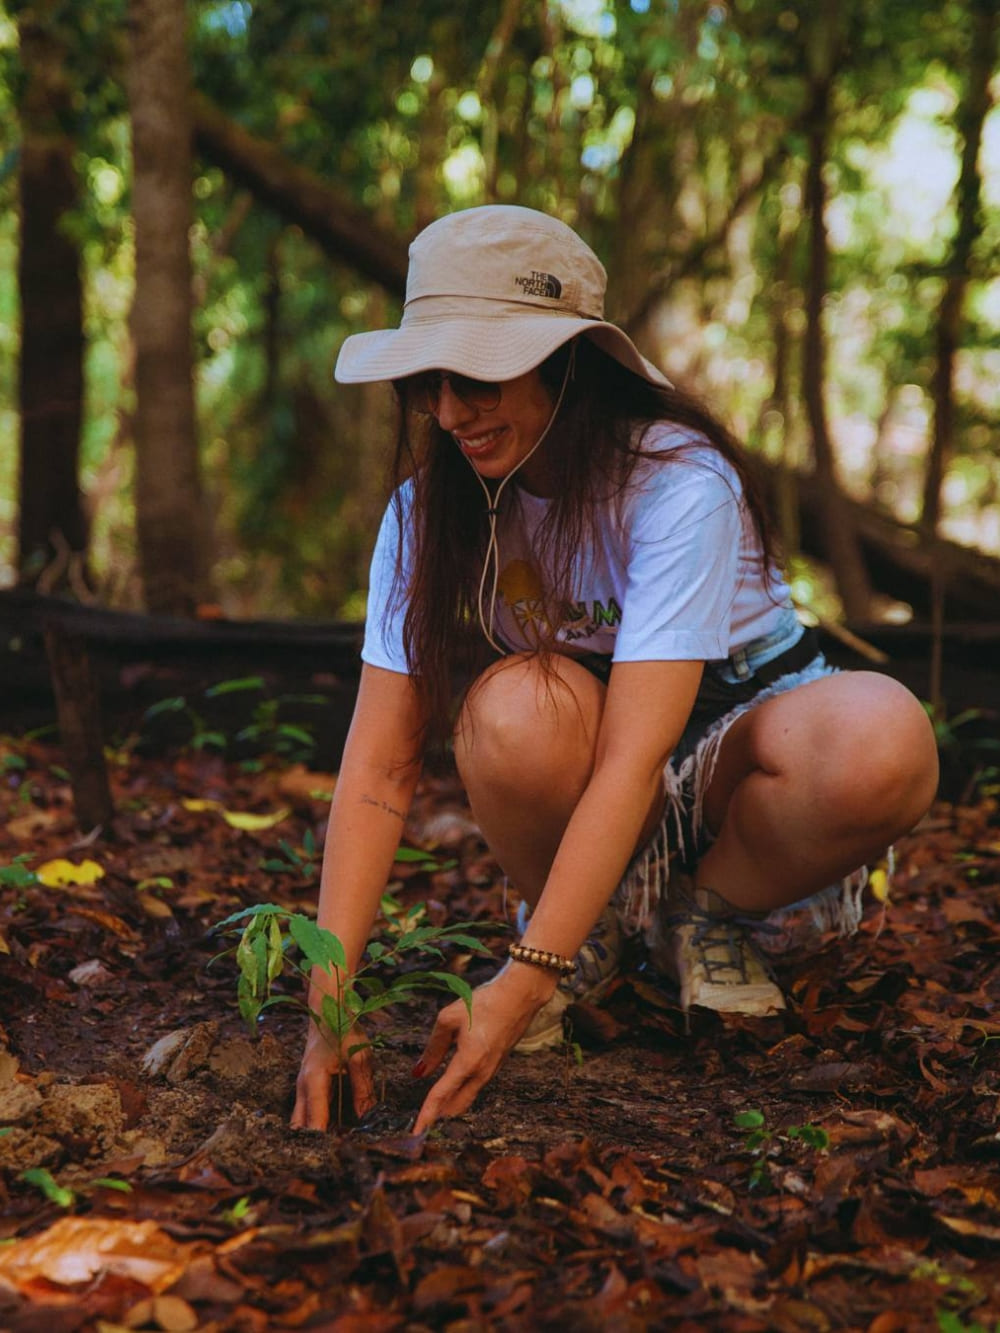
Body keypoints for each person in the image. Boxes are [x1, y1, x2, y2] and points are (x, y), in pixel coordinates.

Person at [291, 205, 938, 1134]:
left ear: (570, 363)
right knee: (515, 705)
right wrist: (330, 1002)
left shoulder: (678, 481)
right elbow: (380, 764)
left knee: (885, 735)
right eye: (430, 378)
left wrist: (518, 986)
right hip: (590, 748)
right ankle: (586, 936)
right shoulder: (424, 511)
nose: (449, 409)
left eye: (478, 373)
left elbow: (641, 757)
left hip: (731, 748)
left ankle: (706, 915)